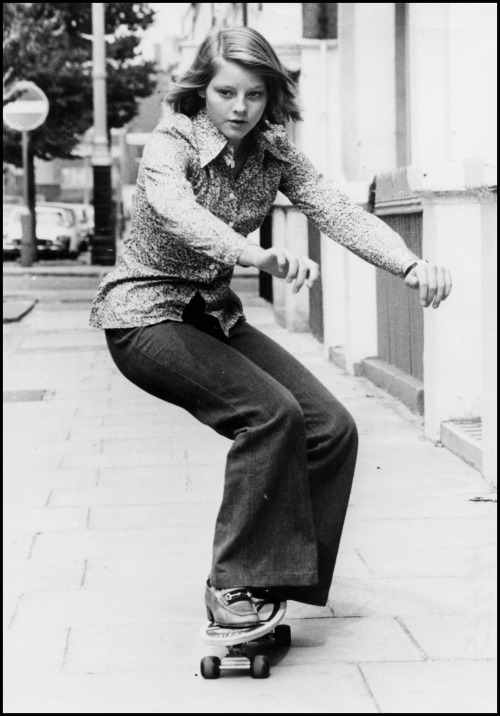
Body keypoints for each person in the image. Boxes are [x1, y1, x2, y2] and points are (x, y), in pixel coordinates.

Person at [89, 26, 452, 628]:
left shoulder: (274, 151)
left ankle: (276, 577)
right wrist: (251, 255)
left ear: (271, 96)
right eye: (226, 92)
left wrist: (408, 264)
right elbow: (179, 213)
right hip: (144, 316)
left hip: (211, 316)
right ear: (202, 91)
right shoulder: (171, 141)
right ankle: (233, 586)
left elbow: (336, 210)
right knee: (269, 414)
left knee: (330, 427)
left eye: (254, 95)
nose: (240, 108)